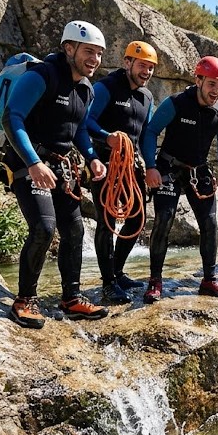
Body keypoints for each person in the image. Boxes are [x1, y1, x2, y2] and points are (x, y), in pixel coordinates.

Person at [1, 20, 109, 329]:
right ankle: (24, 300)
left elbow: (78, 130)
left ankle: (72, 299)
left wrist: (91, 157)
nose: (95, 59)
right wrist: (34, 163)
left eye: (99, 54)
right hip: (27, 162)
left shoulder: (86, 89)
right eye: (89, 51)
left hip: (62, 168)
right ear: (68, 48)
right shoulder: (42, 75)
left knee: (75, 230)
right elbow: (13, 117)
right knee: (45, 228)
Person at [141, 56, 218, 303]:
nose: (216, 91)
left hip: (198, 171)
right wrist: (151, 167)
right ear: (199, 80)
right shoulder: (177, 103)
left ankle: (209, 279)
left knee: (210, 223)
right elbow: (150, 132)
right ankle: (155, 281)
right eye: (212, 84)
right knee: (164, 219)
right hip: (168, 167)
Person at [86, 40, 157, 304]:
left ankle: (117, 271)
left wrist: (151, 165)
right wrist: (107, 138)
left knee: (137, 220)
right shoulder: (106, 87)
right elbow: (87, 121)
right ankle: (107, 284)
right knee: (106, 223)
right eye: (142, 66)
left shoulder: (147, 97)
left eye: (150, 68)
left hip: (132, 165)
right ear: (127, 63)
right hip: (105, 163)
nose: (146, 72)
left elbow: (147, 134)